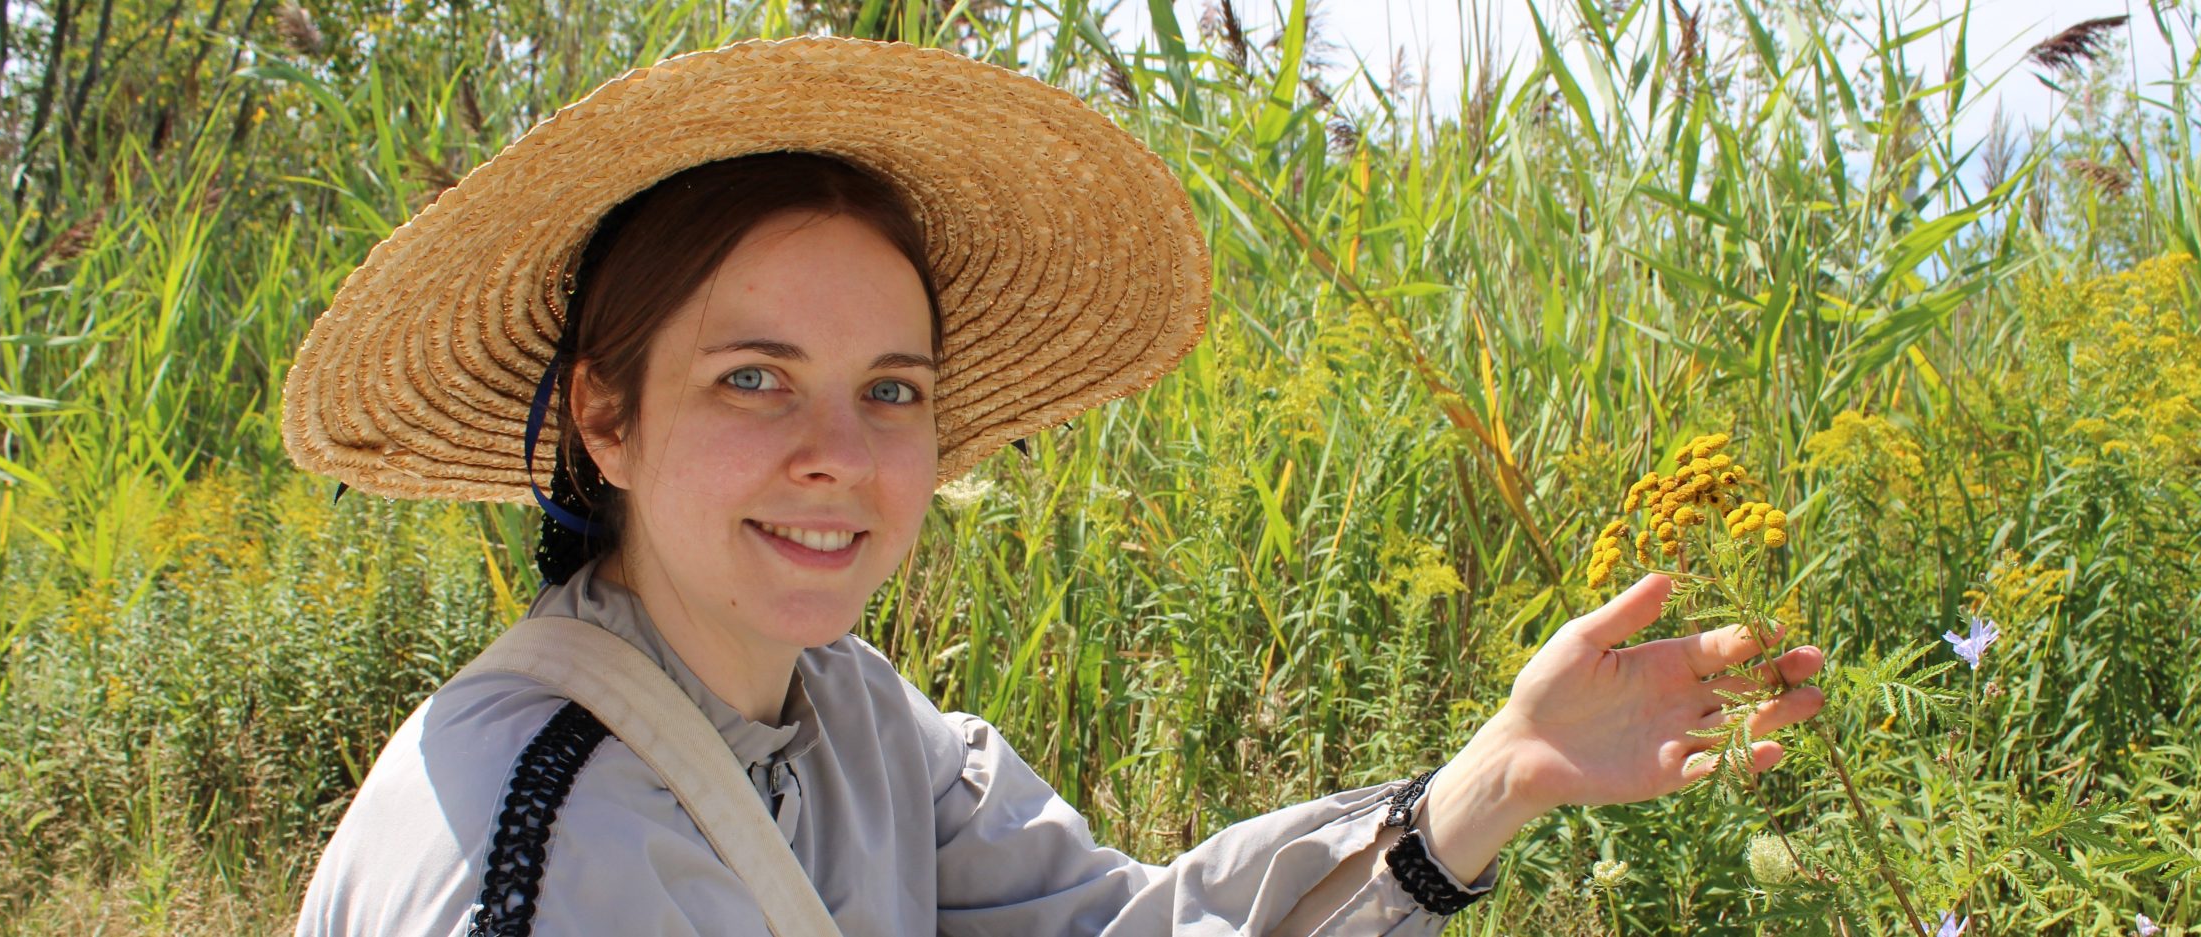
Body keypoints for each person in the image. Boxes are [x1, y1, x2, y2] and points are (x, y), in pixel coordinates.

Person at [284, 37, 1828, 937]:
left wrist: (1500, 775)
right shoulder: (550, 845)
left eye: (891, 389)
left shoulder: (854, 719)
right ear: (604, 419)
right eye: (752, 377)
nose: (838, 448)